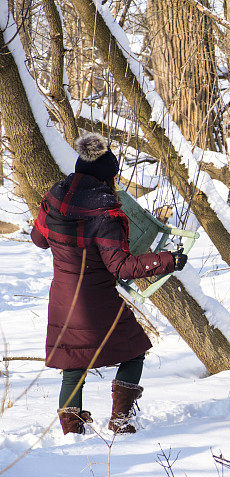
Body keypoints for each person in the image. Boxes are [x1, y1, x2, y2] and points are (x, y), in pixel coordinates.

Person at [31, 133, 187, 435]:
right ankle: (120, 419)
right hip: (97, 302)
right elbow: (121, 267)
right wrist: (168, 260)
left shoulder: (54, 196)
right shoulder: (106, 214)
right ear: (107, 178)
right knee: (135, 350)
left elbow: (39, 239)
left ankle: (71, 431)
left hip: (63, 298)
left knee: (73, 363)